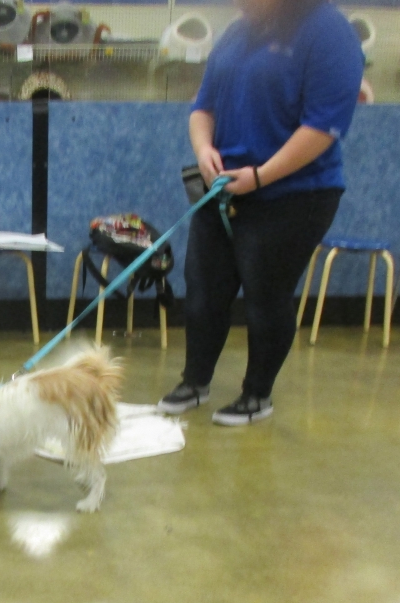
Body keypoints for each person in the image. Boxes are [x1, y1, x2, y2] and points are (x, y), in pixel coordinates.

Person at [157, 0, 363, 426]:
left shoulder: (329, 32)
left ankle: (257, 394)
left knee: (265, 295)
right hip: (224, 189)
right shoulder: (237, 33)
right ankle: (195, 381)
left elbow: (323, 126)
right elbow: (203, 107)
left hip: (293, 194)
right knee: (203, 289)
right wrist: (204, 149)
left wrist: (262, 175)